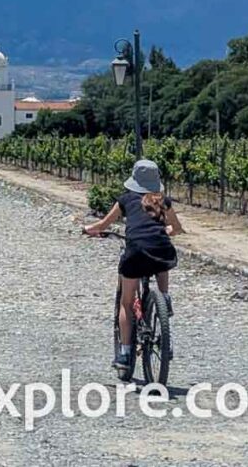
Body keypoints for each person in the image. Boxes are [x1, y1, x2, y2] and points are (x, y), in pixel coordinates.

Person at [83, 159, 185, 374]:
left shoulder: (125, 199)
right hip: (162, 252)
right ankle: (164, 300)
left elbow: (103, 225)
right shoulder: (162, 201)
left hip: (136, 251)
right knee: (160, 249)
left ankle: (126, 351)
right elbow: (176, 228)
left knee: (126, 303)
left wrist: (87, 228)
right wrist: (165, 231)